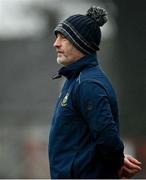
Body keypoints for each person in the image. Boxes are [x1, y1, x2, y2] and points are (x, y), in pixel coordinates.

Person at [49, 6, 142, 179]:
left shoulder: (88, 84)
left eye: (64, 37)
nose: (56, 43)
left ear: (81, 42)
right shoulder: (75, 80)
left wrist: (117, 160)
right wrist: (118, 158)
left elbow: (107, 137)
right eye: (57, 37)